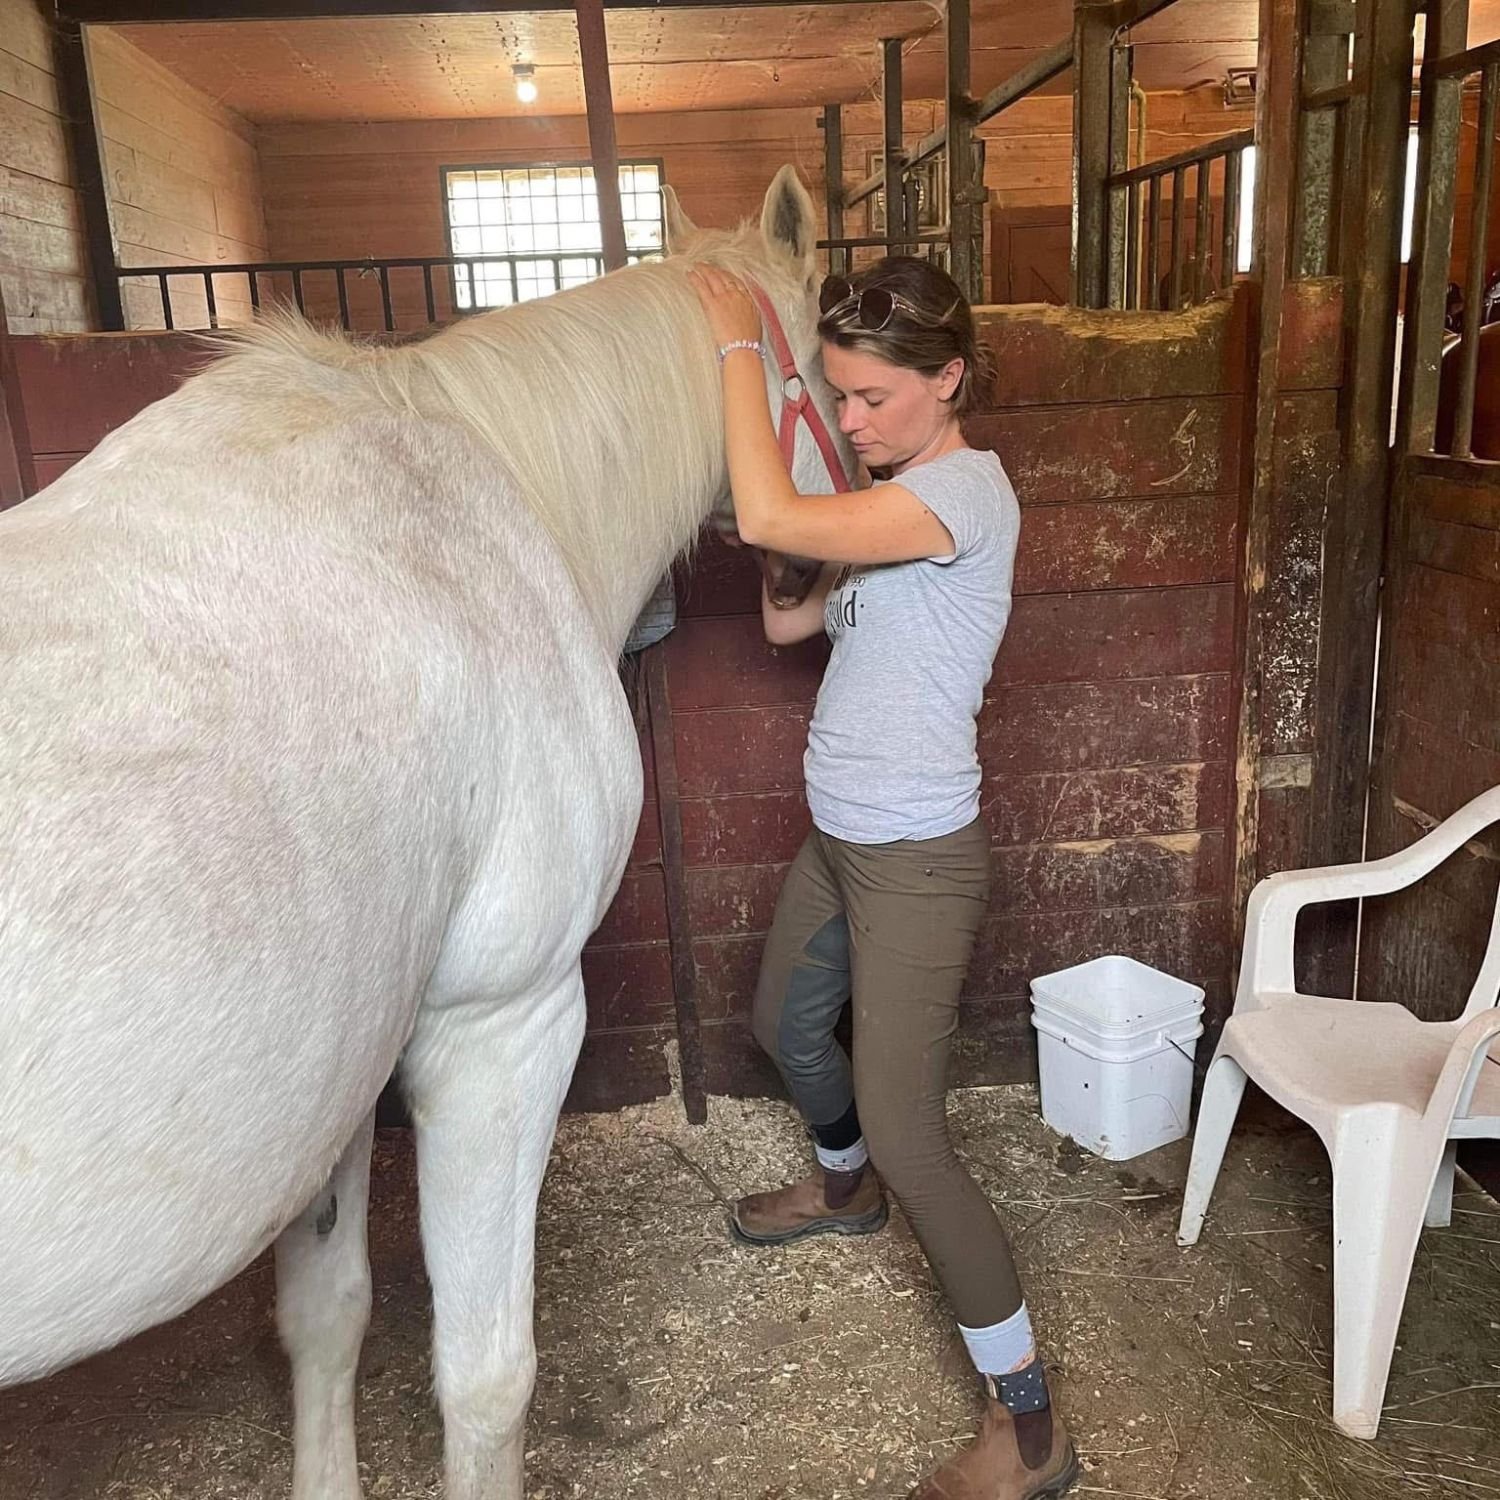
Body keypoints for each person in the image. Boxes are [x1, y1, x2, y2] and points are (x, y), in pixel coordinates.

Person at [688, 255, 1078, 1500]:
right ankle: (841, 1193)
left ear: (946, 378)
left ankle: (1029, 1430)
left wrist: (741, 358)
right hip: (839, 839)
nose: (852, 423)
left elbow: (767, 518)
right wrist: (796, 535)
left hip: (915, 860)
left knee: (914, 1129)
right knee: (783, 1029)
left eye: (868, 399)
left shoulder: (962, 492)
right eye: (840, 399)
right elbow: (788, 626)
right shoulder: (893, 493)